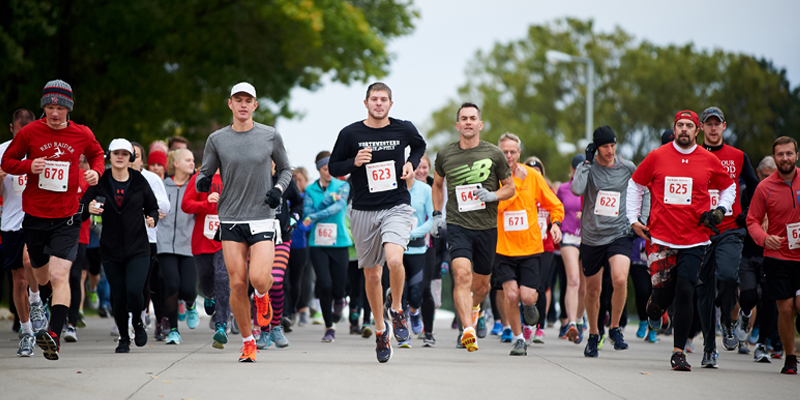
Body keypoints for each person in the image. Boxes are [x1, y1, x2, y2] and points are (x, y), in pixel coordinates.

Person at [1, 80, 105, 360]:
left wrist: (96, 172)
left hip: (67, 217)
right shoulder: (31, 132)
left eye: (59, 107)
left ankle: (54, 335)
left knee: (61, 276)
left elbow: (97, 154)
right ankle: (39, 299)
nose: (54, 113)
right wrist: (28, 165)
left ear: (68, 108)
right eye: (49, 107)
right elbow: (7, 162)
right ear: (43, 107)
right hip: (35, 217)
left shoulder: (81, 133)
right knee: (42, 275)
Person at [626, 110, 735, 371]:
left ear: (696, 131)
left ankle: (679, 353)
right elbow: (635, 185)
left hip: (695, 237)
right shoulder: (657, 156)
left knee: (686, 289)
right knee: (663, 294)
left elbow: (728, 186)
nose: (684, 129)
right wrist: (633, 219)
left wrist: (721, 210)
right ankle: (654, 309)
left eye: (689, 126)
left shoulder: (707, 159)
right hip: (661, 237)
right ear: (674, 129)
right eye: (680, 125)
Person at [328, 82, 426, 362]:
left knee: (394, 260)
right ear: (366, 103)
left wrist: (411, 163)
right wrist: (354, 162)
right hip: (363, 209)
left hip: (396, 205)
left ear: (391, 104)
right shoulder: (350, 133)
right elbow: (334, 166)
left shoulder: (403, 128)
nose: (379, 103)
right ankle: (381, 331)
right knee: (372, 275)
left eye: (384, 99)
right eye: (374, 99)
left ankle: (396, 310)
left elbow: (419, 145)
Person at [195, 82, 292, 362]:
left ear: (255, 105)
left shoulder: (270, 135)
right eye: (238, 100)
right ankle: (248, 342)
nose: (243, 105)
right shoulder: (217, 139)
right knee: (237, 284)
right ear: (230, 104)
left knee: (258, 278)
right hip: (230, 217)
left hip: (262, 216)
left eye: (248, 100)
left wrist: (278, 189)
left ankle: (262, 296)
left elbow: (286, 169)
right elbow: (206, 171)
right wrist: (203, 181)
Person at [430, 102, 514, 352]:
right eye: (463, 118)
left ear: (480, 124)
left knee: (481, 286)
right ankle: (467, 329)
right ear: (457, 125)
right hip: (458, 225)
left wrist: (493, 195)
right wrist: (437, 215)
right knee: (462, 275)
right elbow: (437, 185)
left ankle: (475, 309)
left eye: (472, 118)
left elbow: (510, 187)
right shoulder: (446, 154)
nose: (468, 122)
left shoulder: (494, 153)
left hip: (486, 227)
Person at [572, 126, 650, 357]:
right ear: (596, 147)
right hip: (592, 236)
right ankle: (594, 334)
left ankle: (615, 328)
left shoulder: (627, 167)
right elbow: (576, 190)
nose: (610, 150)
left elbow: (644, 191)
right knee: (593, 290)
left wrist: (640, 220)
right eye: (605, 146)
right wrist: (586, 163)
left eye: (613, 145)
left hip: (620, 233)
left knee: (619, 278)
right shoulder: (587, 167)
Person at [695, 107, 760, 366]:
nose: (712, 128)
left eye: (717, 124)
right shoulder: (693, 155)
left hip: (730, 228)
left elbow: (755, 184)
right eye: (708, 124)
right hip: (699, 231)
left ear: (724, 126)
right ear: (701, 128)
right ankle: (709, 348)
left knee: (726, 276)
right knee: (704, 292)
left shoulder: (737, 156)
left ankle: (728, 321)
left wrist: (748, 212)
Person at [81, 139, 159, 353]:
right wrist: (88, 208)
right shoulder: (101, 181)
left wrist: (152, 218)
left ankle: (138, 322)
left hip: (138, 249)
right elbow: (81, 208)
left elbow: (152, 207)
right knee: (119, 295)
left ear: (131, 158)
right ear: (109, 155)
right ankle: (124, 338)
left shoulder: (139, 181)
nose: (120, 157)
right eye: (116, 153)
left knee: (134, 291)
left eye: (125, 154)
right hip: (111, 249)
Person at [494, 133, 563, 356]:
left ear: (519, 152)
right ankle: (518, 339)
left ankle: (530, 307)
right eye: (504, 151)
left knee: (526, 296)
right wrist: (516, 182)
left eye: (513, 151)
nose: (509, 155)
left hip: (530, 248)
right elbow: (498, 208)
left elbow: (554, 204)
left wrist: (555, 224)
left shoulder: (532, 176)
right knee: (511, 295)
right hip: (503, 248)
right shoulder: (493, 177)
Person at [746, 136, 800, 375]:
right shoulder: (764, 187)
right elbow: (752, 220)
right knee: (786, 309)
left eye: (789, 153)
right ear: (775, 157)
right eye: (780, 154)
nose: (785, 158)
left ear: (796, 155)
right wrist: (764, 238)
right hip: (777, 257)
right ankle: (790, 358)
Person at [299, 152, 351, 343]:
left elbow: (338, 208)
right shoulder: (311, 189)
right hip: (317, 243)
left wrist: (313, 216)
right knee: (324, 284)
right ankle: (329, 328)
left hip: (339, 242)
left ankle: (339, 301)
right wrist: (329, 199)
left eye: (331, 168)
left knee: (339, 288)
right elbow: (306, 211)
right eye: (324, 169)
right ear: (318, 169)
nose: (329, 172)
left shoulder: (343, 185)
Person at [0, 109, 37, 357]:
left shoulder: (42, 148)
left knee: (30, 262)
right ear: (12, 129)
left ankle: (36, 301)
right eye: (19, 130)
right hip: (11, 222)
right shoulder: (2, 151)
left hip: (37, 219)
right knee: (19, 280)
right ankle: (26, 332)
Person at [182, 167, 230, 348]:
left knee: (223, 277)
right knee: (206, 278)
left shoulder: (232, 176)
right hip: (202, 239)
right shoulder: (199, 178)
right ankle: (209, 295)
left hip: (225, 238)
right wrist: (206, 204)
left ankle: (221, 326)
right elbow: (186, 205)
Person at [258, 162, 303, 349]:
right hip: (257, 237)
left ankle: (276, 326)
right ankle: (262, 330)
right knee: (260, 284)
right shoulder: (252, 180)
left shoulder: (284, 180)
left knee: (276, 281)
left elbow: (299, 202)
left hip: (282, 236)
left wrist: (294, 219)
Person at [130, 142, 171, 340]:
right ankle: (127, 319)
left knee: (144, 282)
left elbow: (164, 205)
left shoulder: (151, 179)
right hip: (119, 238)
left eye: (135, 155)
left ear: (142, 160)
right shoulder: (111, 179)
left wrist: (147, 206)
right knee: (122, 283)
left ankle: (140, 316)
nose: (130, 159)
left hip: (147, 237)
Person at [741, 156, 780, 362]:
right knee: (749, 298)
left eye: (771, 176)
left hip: (771, 254)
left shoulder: (783, 193)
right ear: (757, 173)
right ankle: (745, 315)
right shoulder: (748, 192)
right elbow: (742, 219)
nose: (768, 179)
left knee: (769, 298)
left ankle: (763, 343)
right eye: (764, 176)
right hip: (748, 252)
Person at [158, 149, 198, 344]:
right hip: (164, 243)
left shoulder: (196, 186)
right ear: (176, 163)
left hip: (189, 244)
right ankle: (173, 330)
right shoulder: (162, 185)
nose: (192, 163)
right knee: (172, 285)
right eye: (188, 160)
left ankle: (190, 305)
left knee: (189, 290)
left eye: (193, 160)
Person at [395, 155, 434, 348]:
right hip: (398, 249)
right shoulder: (394, 189)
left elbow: (432, 219)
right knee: (399, 294)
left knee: (416, 294)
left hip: (418, 247)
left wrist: (412, 233)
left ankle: (414, 313)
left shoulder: (425, 190)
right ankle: (404, 333)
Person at [559, 154, 587, 343]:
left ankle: (579, 319)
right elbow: (555, 209)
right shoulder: (562, 189)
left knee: (584, 287)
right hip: (568, 236)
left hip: (588, 238)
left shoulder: (592, 188)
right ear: (572, 170)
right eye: (577, 169)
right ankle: (570, 323)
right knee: (573, 280)